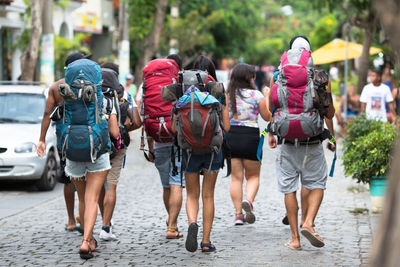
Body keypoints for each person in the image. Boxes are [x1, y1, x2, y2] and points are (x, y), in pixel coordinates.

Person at [267, 35, 335, 250]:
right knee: (316, 184)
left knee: (289, 190)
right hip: (312, 143)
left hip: (286, 142)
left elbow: (272, 109)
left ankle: (295, 239)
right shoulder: (320, 78)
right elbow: (330, 113)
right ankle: (309, 223)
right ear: (309, 55)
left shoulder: (277, 77)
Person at [172, 55, 230, 253]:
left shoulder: (183, 91)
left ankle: (191, 222)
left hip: (189, 150)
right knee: (208, 196)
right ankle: (206, 241)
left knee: (192, 194)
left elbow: (174, 127)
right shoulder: (218, 91)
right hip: (213, 149)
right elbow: (227, 126)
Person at [36, 52, 90, 234]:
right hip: (88, 135)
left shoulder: (56, 87)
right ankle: (85, 217)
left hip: (65, 139)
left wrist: (42, 139)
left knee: (68, 179)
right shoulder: (90, 83)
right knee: (87, 177)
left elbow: (46, 114)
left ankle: (70, 220)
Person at [137, 54, 186, 239]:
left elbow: (145, 114)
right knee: (176, 184)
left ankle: (170, 220)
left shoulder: (146, 84)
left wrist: (150, 146)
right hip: (176, 139)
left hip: (157, 139)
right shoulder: (179, 83)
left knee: (166, 185)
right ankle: (172, 227)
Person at [98, 63, 141, 241]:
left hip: (96, 145)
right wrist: (125, 127)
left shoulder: (93, 95)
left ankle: (101, 219)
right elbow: (138, 121)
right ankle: (106, 227)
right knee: (111, 185)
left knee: (98, 185)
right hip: (117, 146)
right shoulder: (125, 96)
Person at [225, 63, 271, 225]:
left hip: (232, 137)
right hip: (251, 137)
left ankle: (238, 214)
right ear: (250, 78)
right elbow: (267, 117)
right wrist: (267, 97)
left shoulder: (227, 95)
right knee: (253, 176)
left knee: (236, 178)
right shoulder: (256, 95)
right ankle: (249, 201)